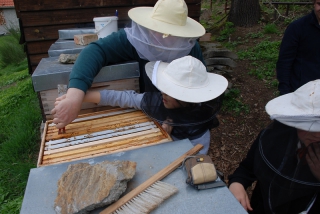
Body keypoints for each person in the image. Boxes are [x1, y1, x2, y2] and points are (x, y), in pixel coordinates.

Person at [51, 0, 206, 129]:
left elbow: (198, 97)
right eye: (157, 30)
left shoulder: (190, 49)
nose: (160, 36)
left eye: (169, 34)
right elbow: (95, 51)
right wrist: (75, 97)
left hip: (177, 123)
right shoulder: (136, 38)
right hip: (146, 110)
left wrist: (175, 120)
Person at [56, 56, 228, 154]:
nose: (163, 94)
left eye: (170, 91)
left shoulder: (199, 130)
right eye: (164, 88)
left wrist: (167, 140)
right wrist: (79, 97)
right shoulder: (158, 102)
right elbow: (125, 98)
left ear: (187, 98)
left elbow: (194, 163)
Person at [228, 80, 320, 213]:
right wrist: (237, 183)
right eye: (306, 126)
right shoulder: (276, 135)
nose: (316, 135)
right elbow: (247, 168)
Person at [276, 0, 320, 95]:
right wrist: (285, 92)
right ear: (314, 4)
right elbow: (285, 61)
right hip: (302, 92)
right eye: (319, 4)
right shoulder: (297, 28)